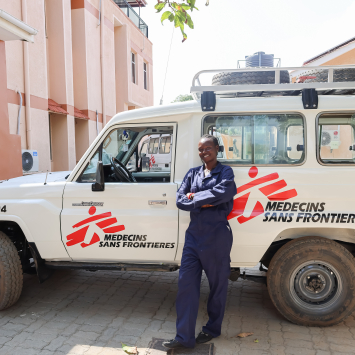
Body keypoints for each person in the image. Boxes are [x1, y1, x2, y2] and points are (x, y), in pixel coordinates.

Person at [163, 134, 237, 349]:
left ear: (217, 149)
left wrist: (194, 198)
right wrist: (206, 201)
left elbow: (225, 192)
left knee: (217, 287)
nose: (204, 152)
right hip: (194, 237)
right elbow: (179, 200)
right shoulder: (193, 173)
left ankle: (212, 328)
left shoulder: (226, 172)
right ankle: (184, 337)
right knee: (186, 285)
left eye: (208, 148)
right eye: (200, 149)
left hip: (217, 237)